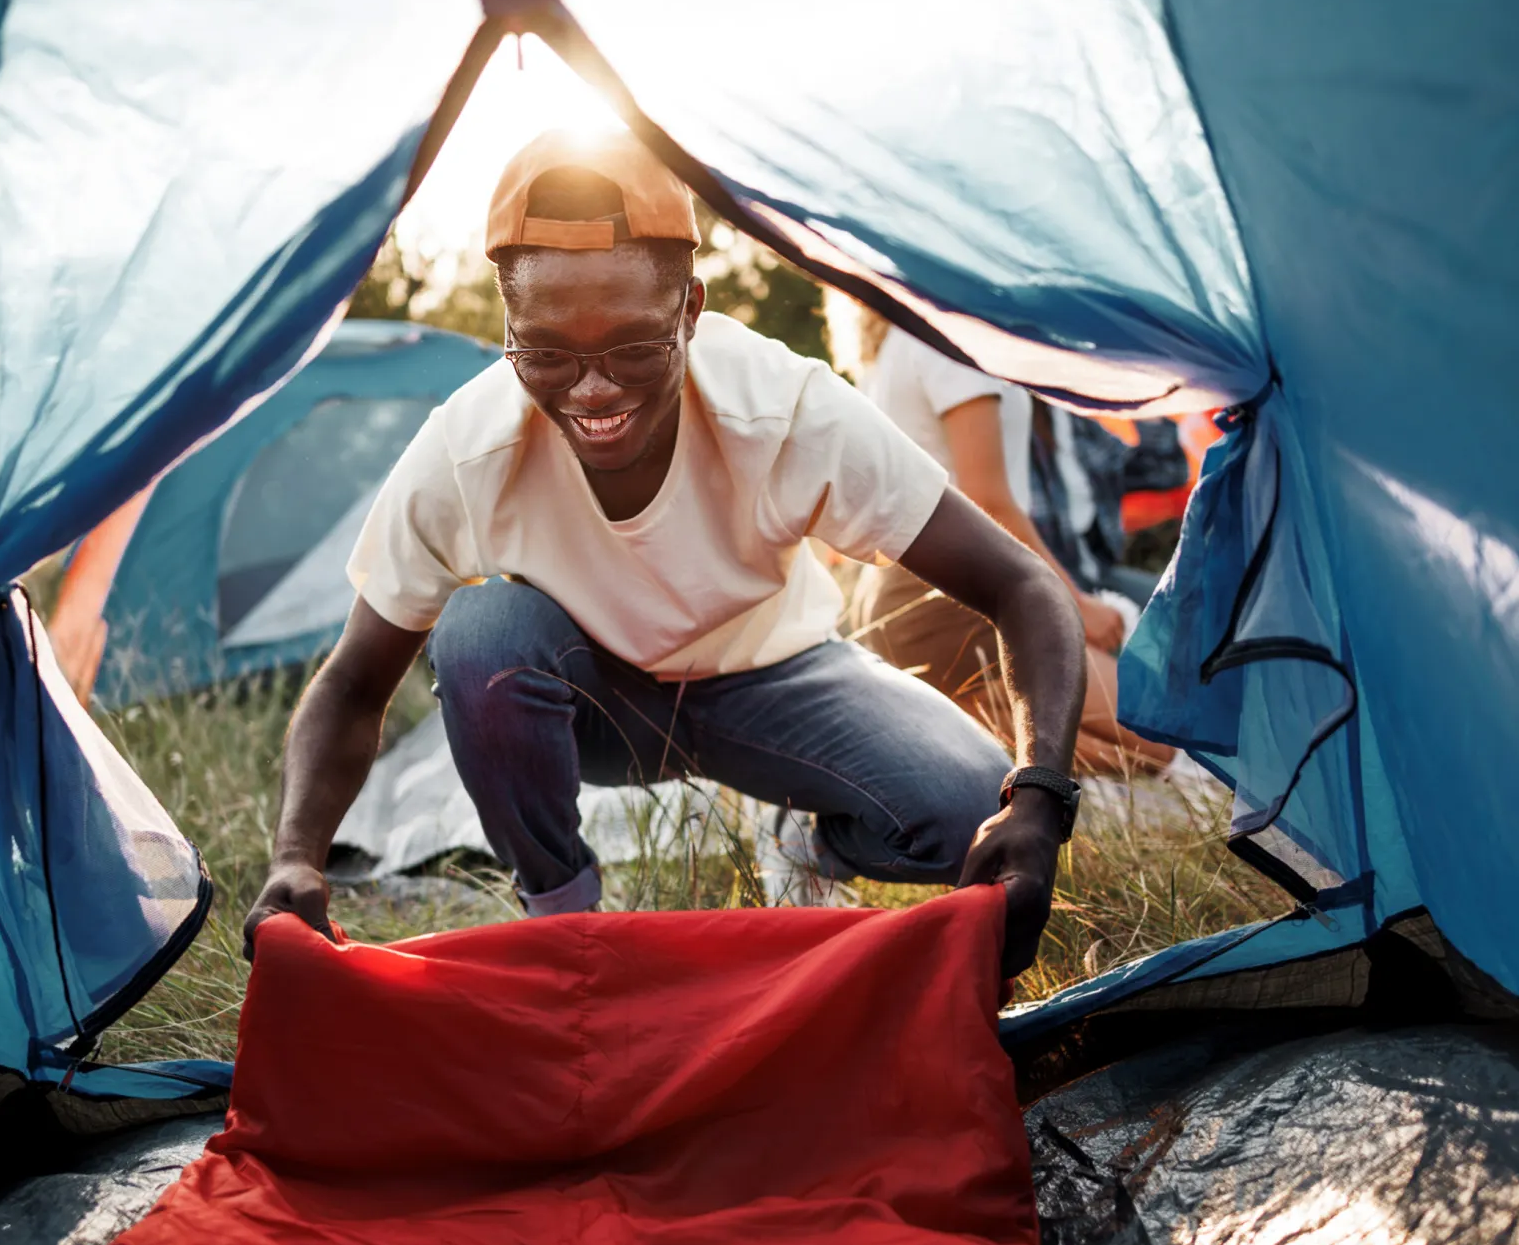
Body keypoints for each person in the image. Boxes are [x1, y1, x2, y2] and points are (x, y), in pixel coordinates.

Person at [242, 131, 1090, 976]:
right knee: (481, 633)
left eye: (634, 348)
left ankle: (807, 831)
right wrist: (295, 858)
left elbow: (1020, 585)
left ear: (691, 309)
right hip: (597, 700)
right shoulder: (468, 451)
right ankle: (560, 926)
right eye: (546, 353)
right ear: (510, 326)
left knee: (976, 802)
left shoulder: (786, 411)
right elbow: (353, 682)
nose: (593, 388)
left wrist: (1041, 794)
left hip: (774, 677)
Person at [838, 309, 1173, 774]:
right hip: (956, 598)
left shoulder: (896, 340)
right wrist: (1073, 603)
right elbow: (987, 499)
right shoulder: (947, 342)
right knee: (1159, 743)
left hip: (908, 595)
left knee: (1114, 760)